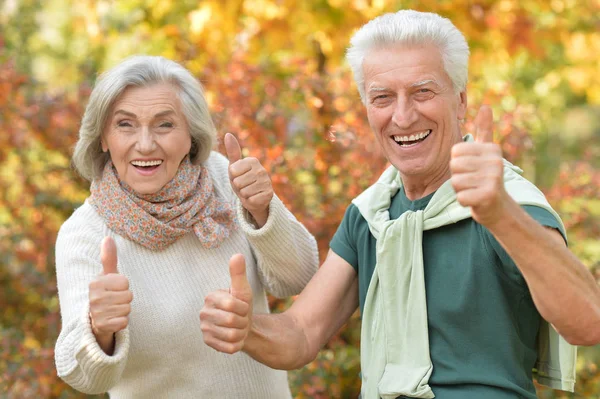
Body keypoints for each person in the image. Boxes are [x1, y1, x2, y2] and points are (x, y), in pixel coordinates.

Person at [200, 10, 600, 399]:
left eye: (422, 92)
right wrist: (248, 330)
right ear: (368, 111)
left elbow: (588, 321)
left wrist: (499, 214)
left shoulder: (509, 201)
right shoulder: (371, 214)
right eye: (383, 98)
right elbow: (302, 334)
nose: (403, 116)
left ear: (460, 102)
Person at [54, 55, 319, 398]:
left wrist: (262, 211)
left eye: (164, 125)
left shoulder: (223, 178)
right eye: (125, 125)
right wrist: (99, 328)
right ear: (103, 137)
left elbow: (299, 277)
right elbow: (84, 378)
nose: (145, 144)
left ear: (191, 136)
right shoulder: (84, 235)